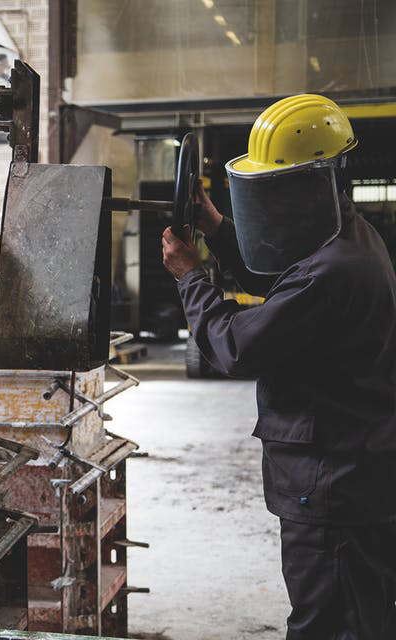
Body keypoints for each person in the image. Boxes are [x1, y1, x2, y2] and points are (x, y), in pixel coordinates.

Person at [162, 94, 396, 639]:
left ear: (314, 182)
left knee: (329, 624)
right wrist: (217, 227)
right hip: (354, 472)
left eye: (280, 186)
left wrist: (190, 278)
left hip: (335, 482)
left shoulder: (331, 272)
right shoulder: (349, 238)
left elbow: (232, 347)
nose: (274, 202)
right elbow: (283, 283)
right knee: (360, 616)